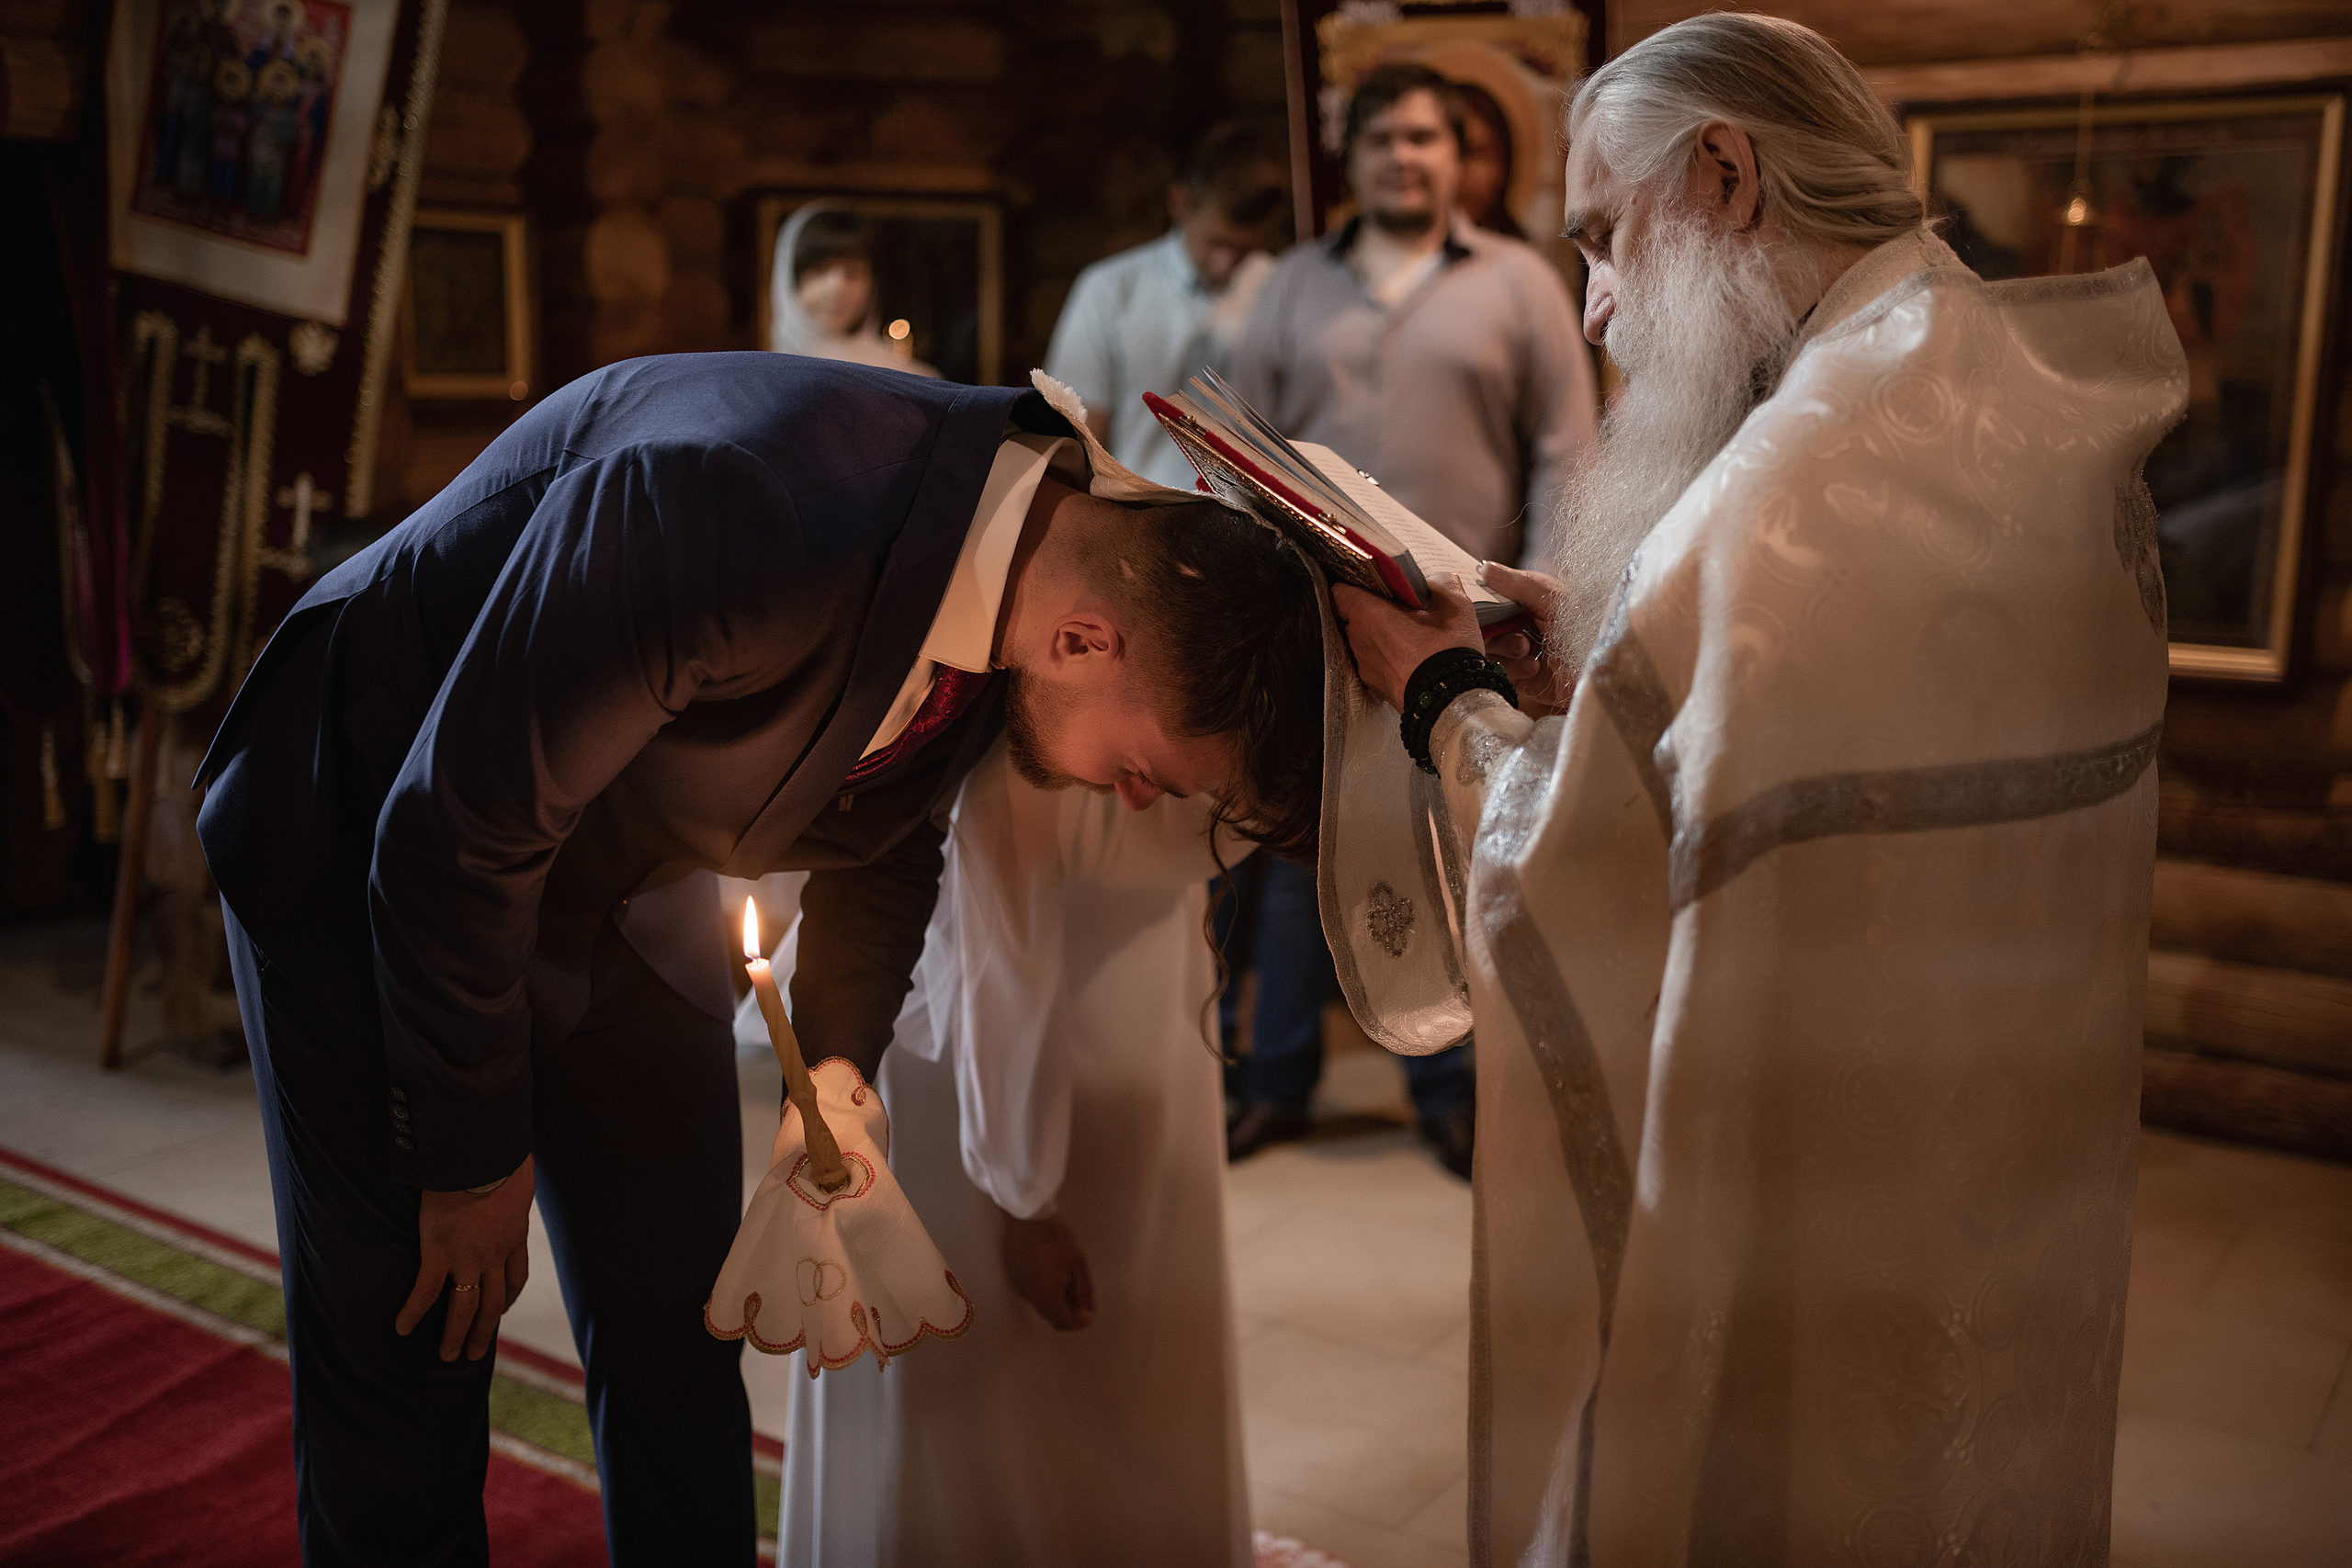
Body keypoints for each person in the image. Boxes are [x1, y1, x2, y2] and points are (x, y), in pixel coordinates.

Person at [194, 354, 1324, 1566]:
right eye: (1154, 764)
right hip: (369, 837)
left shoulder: (1024, 580)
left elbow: (885, 847)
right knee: (416, 1351)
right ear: (1087, 637)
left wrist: (830, 1069)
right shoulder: (740, 507)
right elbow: (453, 833)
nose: (1137, 794)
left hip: (627, 885)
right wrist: (472, 1157)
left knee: (679, 1330)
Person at [1331, 15, 2187, 1562]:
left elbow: (1565, 882)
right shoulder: (2024, 404)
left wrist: (1443, 692)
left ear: (1725, 174)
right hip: (2009, 1197)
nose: (1596, 304)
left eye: (1603, 237)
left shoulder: (1783, 491)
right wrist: (1606, 680)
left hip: (1807, 1219)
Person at [1219, 63, 1599, 1176]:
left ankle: (1446, 1088)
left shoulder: (1520, 282)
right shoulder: (1295, 282)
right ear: (1355, 153)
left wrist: (1534, 594)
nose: (1403, 155)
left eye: (1425, 137)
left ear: (1457, 154)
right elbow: (1248, 444)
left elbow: (1568, 449)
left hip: (1463, 623)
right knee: (1305, 839)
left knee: (1452, 846)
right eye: (1382, 137)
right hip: (1319, 614)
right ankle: (1278, 1078)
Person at [775, 744, 1251, 1566]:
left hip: (1132, 970)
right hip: (979, 993)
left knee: (1130, 1329)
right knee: (967, 1341)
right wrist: (1023, 1191)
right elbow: (1004, 918)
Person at [1044, 120, 1288, 489]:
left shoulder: (1280, 289)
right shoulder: (1110, 289)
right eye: (1215, 243)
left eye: (1243, 249)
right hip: (1140, 516)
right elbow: (1078, 438)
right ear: (1180, 203)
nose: (1225, 264)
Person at [768, 204, 939, 377]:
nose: (837, 288)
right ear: (789, 276)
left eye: (853, 273)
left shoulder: (908, 379)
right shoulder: (764, 376)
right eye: (820, 271)